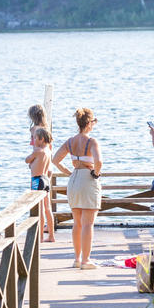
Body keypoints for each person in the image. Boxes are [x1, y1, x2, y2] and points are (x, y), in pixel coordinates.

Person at [52, 108, 102, 269]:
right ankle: (86, 260)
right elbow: (99, 161)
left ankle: (77, 259)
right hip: (87, 179)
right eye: (94, 122)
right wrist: (96, 173)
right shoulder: (92, 141)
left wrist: (68, 172)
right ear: (89, 123)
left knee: (77, 222)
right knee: (88, 223)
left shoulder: (70, 141)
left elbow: (55, 160)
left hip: (74, 179)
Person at [25, 126, 55, 242]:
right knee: (47, 208)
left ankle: (41, 236)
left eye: (35, 138)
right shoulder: (48, 151)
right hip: (45, 179)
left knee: (40, 209)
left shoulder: (37, 151)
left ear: (41, 139)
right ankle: (51, 235)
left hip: (37, 180)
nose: (33, 140)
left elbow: (27, 160)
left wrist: (31, 161)